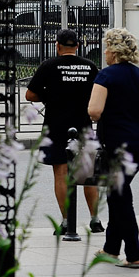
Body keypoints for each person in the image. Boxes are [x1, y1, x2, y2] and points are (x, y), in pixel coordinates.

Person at [25, 28, 102, 236]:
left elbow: (30, 94)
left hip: (57, 125)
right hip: (83, 125)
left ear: (57, 45)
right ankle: (95, 220)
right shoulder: (90, 66)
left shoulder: (49, 66)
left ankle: (67, 222)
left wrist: (51, 96)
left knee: (61, 173)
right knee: (87, 173)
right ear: (77, 46)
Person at [88, 28, 139, 268]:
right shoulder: (138, 74)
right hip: (137, 142)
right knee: (118, 193)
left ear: (114, 51)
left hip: (116, 143)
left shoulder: (106, 76)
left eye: (107, 48)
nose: (105, 53)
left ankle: (134, 253)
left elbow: (94, 111)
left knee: (120, 198)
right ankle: (110, 249)